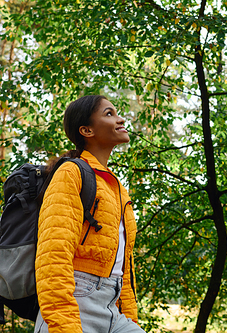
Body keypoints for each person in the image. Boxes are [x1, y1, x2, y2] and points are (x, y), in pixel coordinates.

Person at [34, 95, 145, 333]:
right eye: (109, 113)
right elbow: (53, 254)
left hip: (113, 308)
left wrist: (129, 317)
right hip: (76, 302)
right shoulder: (71, 173)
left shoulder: (118, 189)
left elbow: (124, 266)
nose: (120, 119)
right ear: (86, 130)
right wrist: (64, 325)